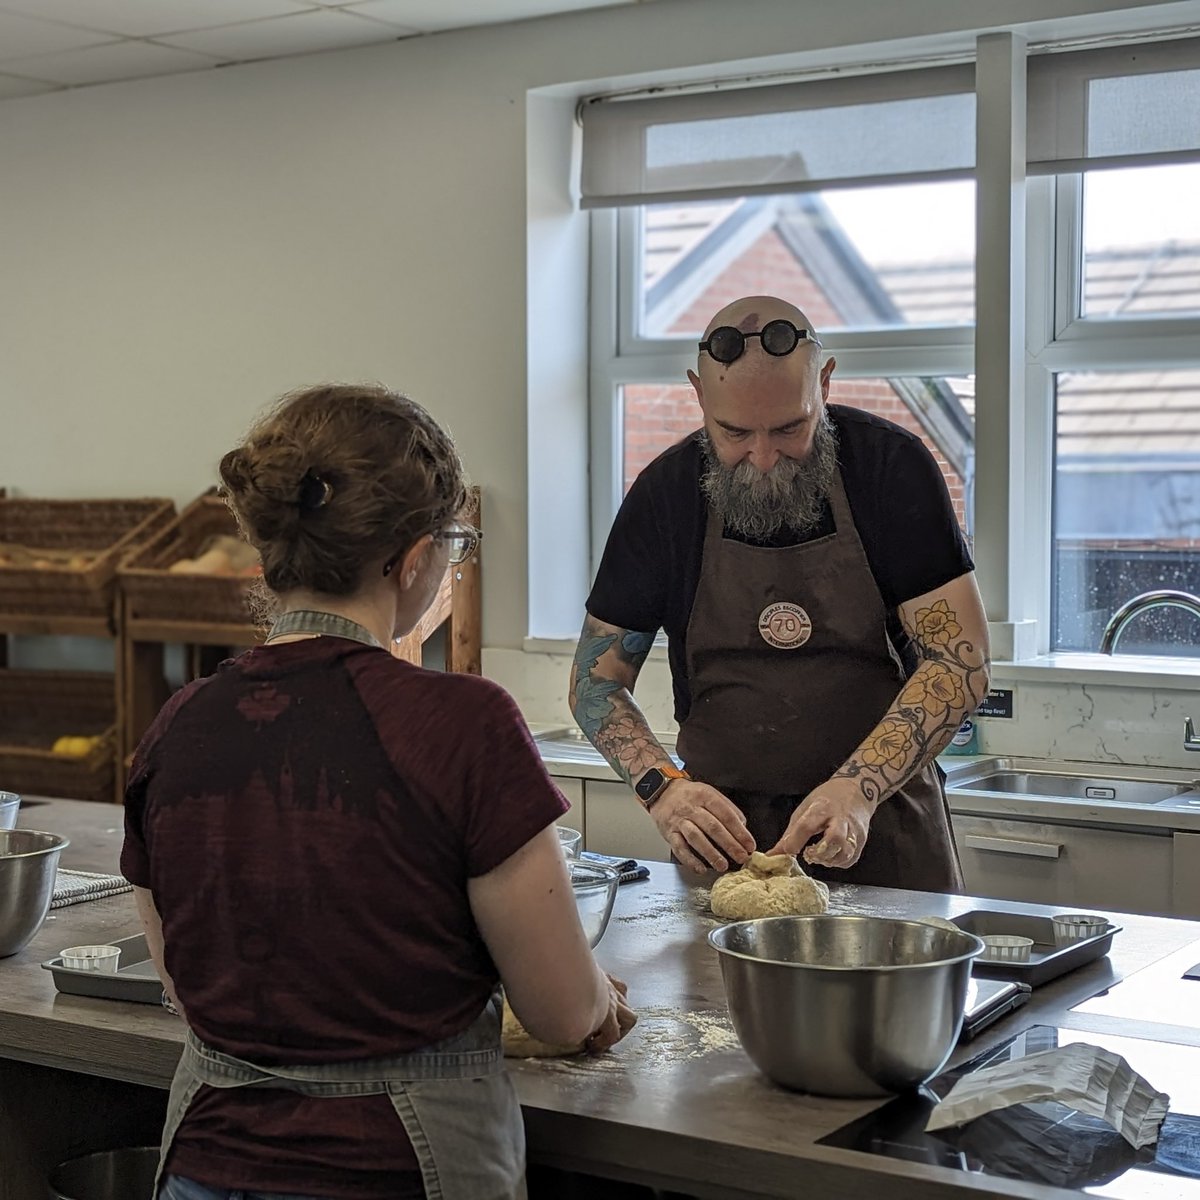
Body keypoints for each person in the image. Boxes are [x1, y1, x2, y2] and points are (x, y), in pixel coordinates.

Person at [121, 383, 635, 1200]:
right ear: (411, 558)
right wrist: (593, 996)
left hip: (205, 1164)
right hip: (402, 1166)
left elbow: (185, 985)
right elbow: (562, 1013)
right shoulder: (463, 724)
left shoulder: (179, 722)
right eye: (452, 545)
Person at [570, 296, 990, 890]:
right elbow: (595, 681)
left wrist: (860, 787)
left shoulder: (892, 471)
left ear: (824, 381)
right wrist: (662, 789)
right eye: (734, 433)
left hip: (882, 822)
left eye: (790, 428)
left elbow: (960, 663)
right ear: (698, 394)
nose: (763, 459)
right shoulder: (664, 498)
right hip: (724, 843)